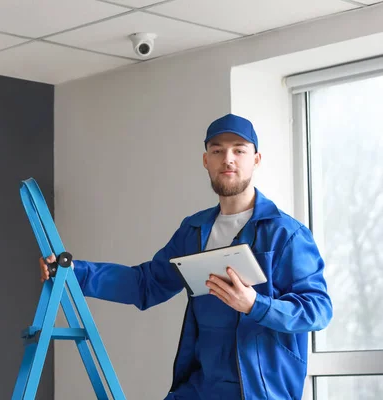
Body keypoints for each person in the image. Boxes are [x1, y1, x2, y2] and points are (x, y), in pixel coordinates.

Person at [40, 113, 333, 400]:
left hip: (259, 391)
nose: (227, 159)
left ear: (256, 159)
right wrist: (74, 272)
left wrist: (255, 304)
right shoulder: (194, 230)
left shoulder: (287, 234)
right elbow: (146, 284)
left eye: (239, 151)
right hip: (200, 387)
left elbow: (318, 309)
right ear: (206, 161)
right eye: (217, 151)